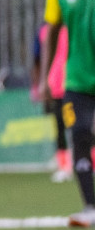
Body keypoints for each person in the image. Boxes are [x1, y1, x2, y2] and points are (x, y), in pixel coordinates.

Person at [42, 0, 95, 227]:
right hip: (75, 81)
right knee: (80, 136)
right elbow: (50, 32)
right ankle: (90, 206)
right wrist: (45, 78)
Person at [31, 23, 72, 182]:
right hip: (54, 86)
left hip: (76, 83)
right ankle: (64, 166)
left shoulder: (75, 22)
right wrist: (38, 86)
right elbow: (37, 60)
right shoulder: (43, 30)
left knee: (83, 126)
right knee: (59, 127)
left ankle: (91, 164)